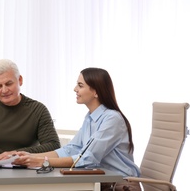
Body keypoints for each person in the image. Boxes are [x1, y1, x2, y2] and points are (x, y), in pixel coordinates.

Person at [13, 67, 141, 191]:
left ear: (96, 92)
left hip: (121, 185)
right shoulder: (90, 117)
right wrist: (30, 156)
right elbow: (71, 149)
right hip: (102, 182)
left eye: (80, 85)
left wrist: (42, 161)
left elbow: (88, 158)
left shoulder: (112, 119)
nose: (75, 89)